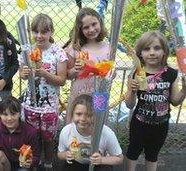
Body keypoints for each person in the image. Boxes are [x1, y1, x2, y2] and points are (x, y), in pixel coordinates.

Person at [125, 31, 186, 171]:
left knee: (152, 155)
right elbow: (129, 105)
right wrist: (132, 91)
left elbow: (175, 101)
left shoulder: (171, 74)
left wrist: (184, 90)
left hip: (161, 125)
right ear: (140, 53)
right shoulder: (136, 73)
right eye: (147, 49)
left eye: (157, 48)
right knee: (133, 151)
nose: (152, 53)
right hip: (139, 123)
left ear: (164, 51)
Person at [19, 13, 68, 170]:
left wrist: (44, 73)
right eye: (35, 32)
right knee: (32, 136)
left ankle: (48, 162)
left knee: (48, 137)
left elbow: (62, 79)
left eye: (44, 32)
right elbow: (21, 75)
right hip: (30, 104)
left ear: (51, 32)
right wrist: (24, 74)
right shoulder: (27, 51)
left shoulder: (58, 52)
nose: (39, 36)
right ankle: (35, 161)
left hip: (49, 105)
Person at [65, 7, 109, 124]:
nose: (91, 29)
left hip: (100, 94)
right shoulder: (75, 48)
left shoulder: (108, 48)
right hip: (80, 92)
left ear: (100, 22)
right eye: (86, 27)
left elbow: (111, 72)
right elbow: (67, 75)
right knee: (78, 122)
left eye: (94, 24)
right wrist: (76, 69)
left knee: (98, 123)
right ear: (80, 30)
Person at [57, 94, 123, 171]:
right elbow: (59, 154)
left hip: (98, 164)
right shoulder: (66, 131)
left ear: (95, 116)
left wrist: (102, 160)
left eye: (88, 115)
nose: (83, 119)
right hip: (76, 162)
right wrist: (65, 155)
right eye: (78, 114)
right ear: (72, 114)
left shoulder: (106, 132)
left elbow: (119, 159)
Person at [0, 96, 41, 171]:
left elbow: (37, 156)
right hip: (2, 164)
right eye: (5, 114)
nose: (9, 118)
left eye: (13, 114)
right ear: (0, 115)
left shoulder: (30, 132)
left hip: (22, 166)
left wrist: (31, 161)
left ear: (19, 113)